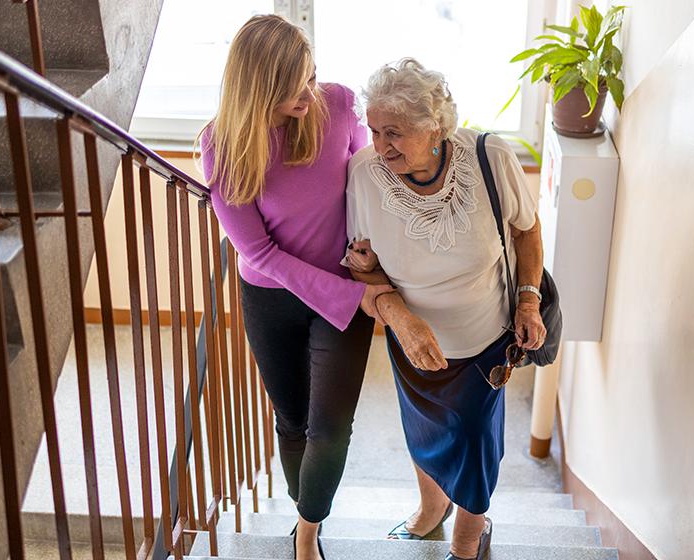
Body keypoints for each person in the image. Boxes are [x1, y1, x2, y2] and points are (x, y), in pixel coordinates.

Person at [199, 15, 393, 560]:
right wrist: (355, 297)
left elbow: (367, 178)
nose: (310, 92)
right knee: (292, 421)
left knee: (330, 427)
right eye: (295, 87)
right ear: (259, 87)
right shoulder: (222, 146)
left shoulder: (336, 104)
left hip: (343, 288)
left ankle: (307, 531)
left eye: (312, 76)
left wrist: (367, 253)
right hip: (272, 297)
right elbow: (258, 252)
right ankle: (305, 504)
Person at [343, 58, 547, 560]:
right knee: (425, 428)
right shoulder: (364, 174)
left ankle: (467, 536)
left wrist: (528, 299)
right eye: (373, 130)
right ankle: (431, 510)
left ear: (435, 126)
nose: (380, 145)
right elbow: (362, 265)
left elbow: (526, 230)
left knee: (474, 438)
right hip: (411, 339)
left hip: (486, 338)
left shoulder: (489, 156)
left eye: (395, 131)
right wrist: (398, 316)